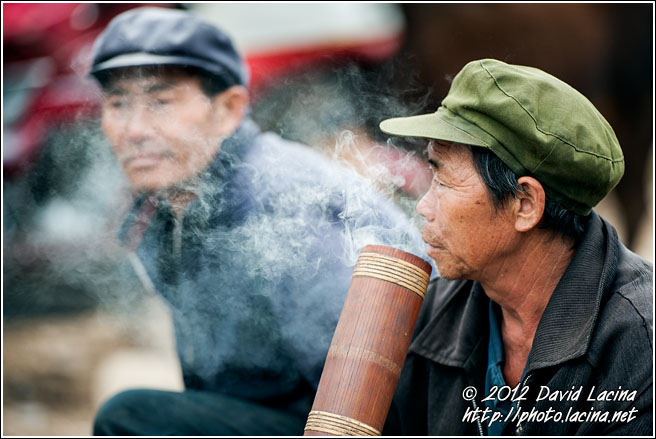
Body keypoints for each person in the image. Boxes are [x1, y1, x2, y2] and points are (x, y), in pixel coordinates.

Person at [87, 7, 426, 436]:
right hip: (270, 407)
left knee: (129, 416)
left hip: (355, 421)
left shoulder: (286, 204)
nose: (134, 129)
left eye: (160, 101)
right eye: (117, 103)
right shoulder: (166, 204)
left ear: (228, 109)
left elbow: (376, 391)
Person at [378, 58, 653, 435]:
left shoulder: (640, 347)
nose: (423, 206)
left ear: (525, 204)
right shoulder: (431, 312)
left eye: (443, 180)